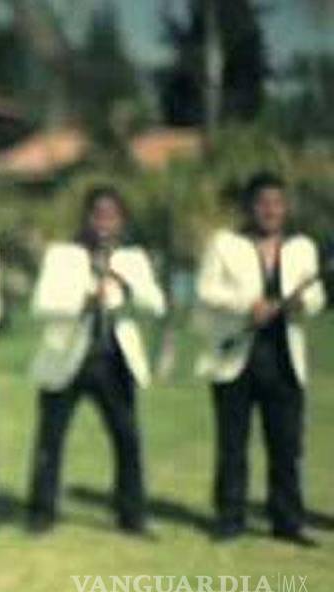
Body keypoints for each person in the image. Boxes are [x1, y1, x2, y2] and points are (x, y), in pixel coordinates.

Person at [195, 172, 327, 548]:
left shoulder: (302, 248)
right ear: (249, 207)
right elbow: (206, 290)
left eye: (277, 203)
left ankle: (287, 521)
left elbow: (316, 297)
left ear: (286, 208)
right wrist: (247, 306)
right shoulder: (224, 244)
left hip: (284, 360)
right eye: (263, 203)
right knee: (232, 445)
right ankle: (229, 518)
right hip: (236, 358)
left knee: (286, 446)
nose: (271, 210)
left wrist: (302, 303)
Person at [26, 186, 165, 536]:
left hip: (113, 360)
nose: (104, 222)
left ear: (121, 220)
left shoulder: (132, 259)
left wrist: (125, 286)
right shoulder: (63, 256)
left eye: (111, 216)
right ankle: (41, 512)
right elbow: (41, 303)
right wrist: (82, 302)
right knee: (50, 439)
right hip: (68, 357)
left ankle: (131, 515)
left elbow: (156, 304)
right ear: (87, 218)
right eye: (98, 215)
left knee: (127, 438)